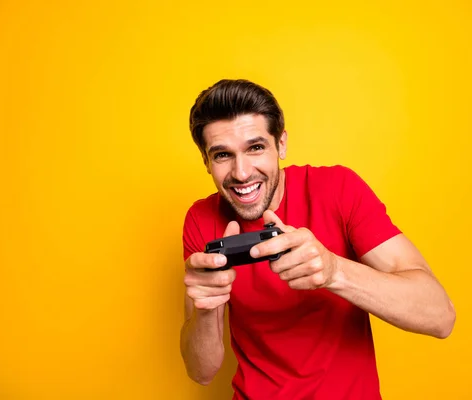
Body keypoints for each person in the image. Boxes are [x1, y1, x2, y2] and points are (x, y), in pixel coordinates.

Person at [179, 79, 456, 400]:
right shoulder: (201, 219)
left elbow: (440, 317)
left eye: (256, 147)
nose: (241, 173)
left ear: (281, 144)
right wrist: (206, 308)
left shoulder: (338, 189)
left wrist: (334, 271)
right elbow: (201, 371)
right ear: (206, 161)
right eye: (223, 155)